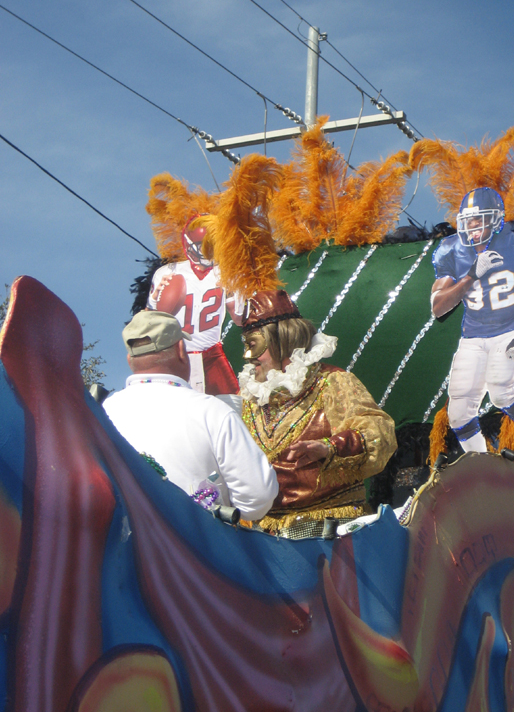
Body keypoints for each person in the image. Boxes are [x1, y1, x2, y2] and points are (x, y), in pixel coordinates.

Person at [238, 290, 397, 536]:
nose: (248, 356)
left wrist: (330, 447)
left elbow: (380, 433)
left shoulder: (331, 382)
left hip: (329, 530)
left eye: (254, 345)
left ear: (283, 342)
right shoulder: (250, 394)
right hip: (265, 535)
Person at [103, 310, 278, 521]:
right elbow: (257, 498)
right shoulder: (212, 411)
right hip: (194, 550)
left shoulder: (103, 412)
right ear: (180, 350)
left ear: (130, 359)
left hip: (116, 548)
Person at [431, 186, 514, 453]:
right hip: (473, 336)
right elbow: (438, 307)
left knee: (502, 392)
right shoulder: (451, 248)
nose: (472, 226)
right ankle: (481, 462)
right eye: (468, 220)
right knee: (458, 412)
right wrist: (471, 275)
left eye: (479, 219)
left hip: (511, 328)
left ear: (497, 218)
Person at [147, 216, 239, 395]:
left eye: (213, 245)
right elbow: (149, 321)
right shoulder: (168, 272)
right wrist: (155, 298)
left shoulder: (228, 273)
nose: (209, 251)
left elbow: (240, 319)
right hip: (174, 355)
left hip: (212, 354)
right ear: (188, 244)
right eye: (203, 246)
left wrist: (234, 296)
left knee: (231, 408)